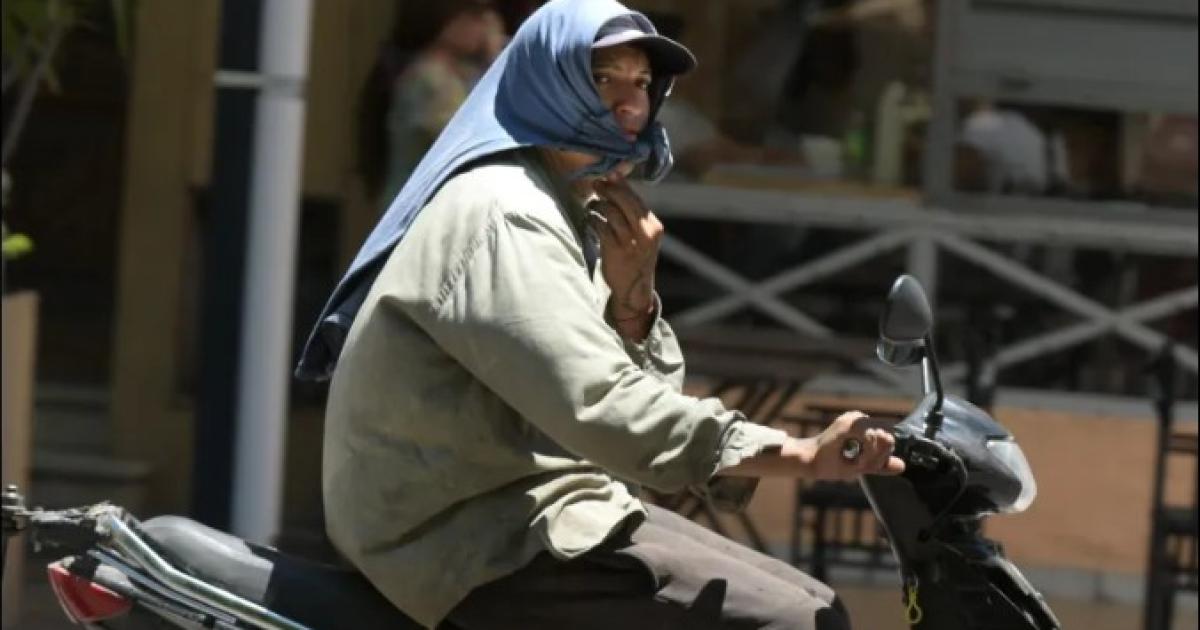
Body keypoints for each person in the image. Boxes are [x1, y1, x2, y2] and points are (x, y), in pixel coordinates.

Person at [298, 1, 903, 628]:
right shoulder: (506, 212)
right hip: (464, 538)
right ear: (544, 81)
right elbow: (601, 405)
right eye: (603, 78)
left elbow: (634, 421)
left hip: (552, 506)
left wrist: (633, 301)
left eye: (641, 83)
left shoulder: (569, 205)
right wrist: (798, 454)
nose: (630, 105)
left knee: (819, 604)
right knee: (799, 625)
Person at [358, 0, 508, 206]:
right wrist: (496, 63)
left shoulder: (449, 75)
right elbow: (478, 145)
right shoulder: (431, 82)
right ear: (446, 19)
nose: (487, 24)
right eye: (476, 14)